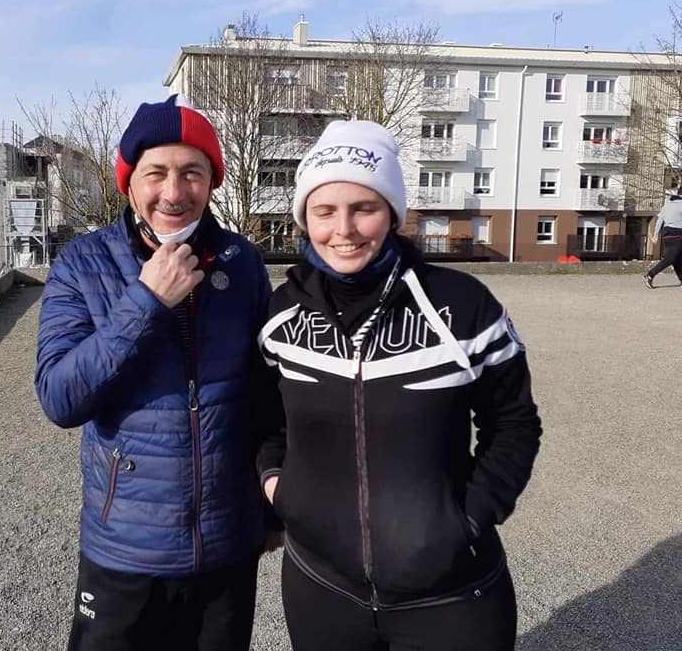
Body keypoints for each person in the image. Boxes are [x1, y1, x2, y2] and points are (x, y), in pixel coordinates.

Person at [256, 120, 542, 651]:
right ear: (304, 219)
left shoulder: (463, 305)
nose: (344, 229)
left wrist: (470, 519)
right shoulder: (281, 313)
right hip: (321, 587)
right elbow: (267, 419)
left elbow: (514, 423)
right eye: (324, 211)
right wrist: (280, 488)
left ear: (392, 213)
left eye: (363, 207)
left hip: (451, 593)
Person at [35, 94, 276, 651]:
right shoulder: (82, 263)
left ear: (212, 182)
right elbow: (59, 398)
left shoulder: (241, 263)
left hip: (225, 547)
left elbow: (265, 396)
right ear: (128, 183)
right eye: (156, 173)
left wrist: (267, 511)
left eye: (192, 173)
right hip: (124, 549)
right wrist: (146, 299)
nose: (173, 192)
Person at [643, 191, 682, 288]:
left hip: (667, 235)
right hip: (678, 235)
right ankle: (650, 275)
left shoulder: (667, 204)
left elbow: (660, 221)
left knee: (677, 259)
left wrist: (656, 236)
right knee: (670, 258)